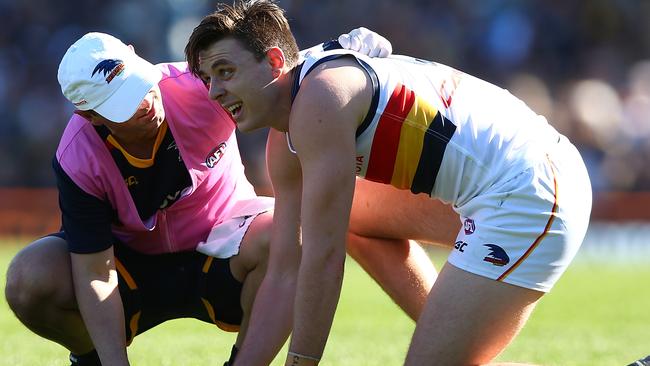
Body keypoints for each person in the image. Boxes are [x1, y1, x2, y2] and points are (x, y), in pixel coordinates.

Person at [184, 1, 593, 365]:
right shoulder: (288, 133)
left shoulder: (319, 99)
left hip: (532, 190)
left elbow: (323, 261)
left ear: (275, 62)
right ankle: (455, 333)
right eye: (208, 78)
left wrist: (301, 362)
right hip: (516, 183)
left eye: (226, 72)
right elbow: (287, 270)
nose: (214, 91)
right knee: (351, 217)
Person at [3, 30, 437, 366]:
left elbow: (274, 74)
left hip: (224, 246)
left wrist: (338, 52)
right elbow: (95, 274)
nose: (144, 103)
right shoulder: (77, 155)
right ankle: (93, 359)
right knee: (29, 277)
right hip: (130, 268)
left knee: (295, 233)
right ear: (90, 115)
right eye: (122, 105)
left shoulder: (197, 85)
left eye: (138, 84)